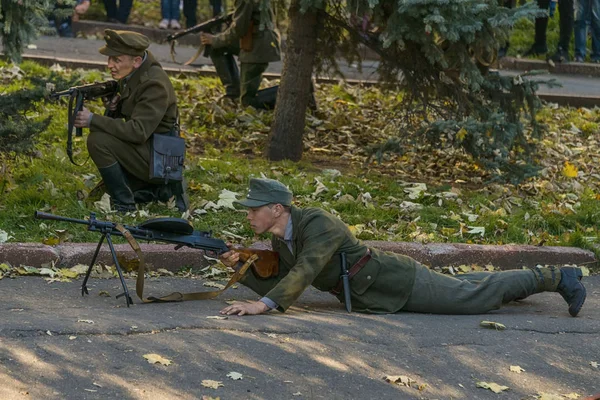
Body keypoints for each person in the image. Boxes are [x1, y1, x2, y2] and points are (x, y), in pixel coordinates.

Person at [219, 178, 587, 317]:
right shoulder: (280, 237)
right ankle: (521, 284)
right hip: (375, 292)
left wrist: (262, 307)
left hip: (396, 280)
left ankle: (557, 276)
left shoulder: (318, 223)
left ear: (277, 209)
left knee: (472, 299)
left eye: (254, 210)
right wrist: (240, 269)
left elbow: (305, 270)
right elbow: (280, 279)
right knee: (473, 288)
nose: (249, 215)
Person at [73, 29, 189, 212]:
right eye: (110, 58)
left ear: (136, 61)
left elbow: (137, 131)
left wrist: (92, 119)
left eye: (117, 60)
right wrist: (114, 109)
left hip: (160, 162)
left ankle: (125, 204)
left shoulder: (153, 84)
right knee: (101, 138)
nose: (110, 65)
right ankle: (139, 190)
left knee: (98, 140)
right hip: (149, 149)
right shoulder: (135, 72)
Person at [199, 0, 281, 109]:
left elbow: (238, 29)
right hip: (257, 40)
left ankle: (288, 92)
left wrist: (215, 40)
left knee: (247, 103)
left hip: (257, 46)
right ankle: (233, 93)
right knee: (217, 48)